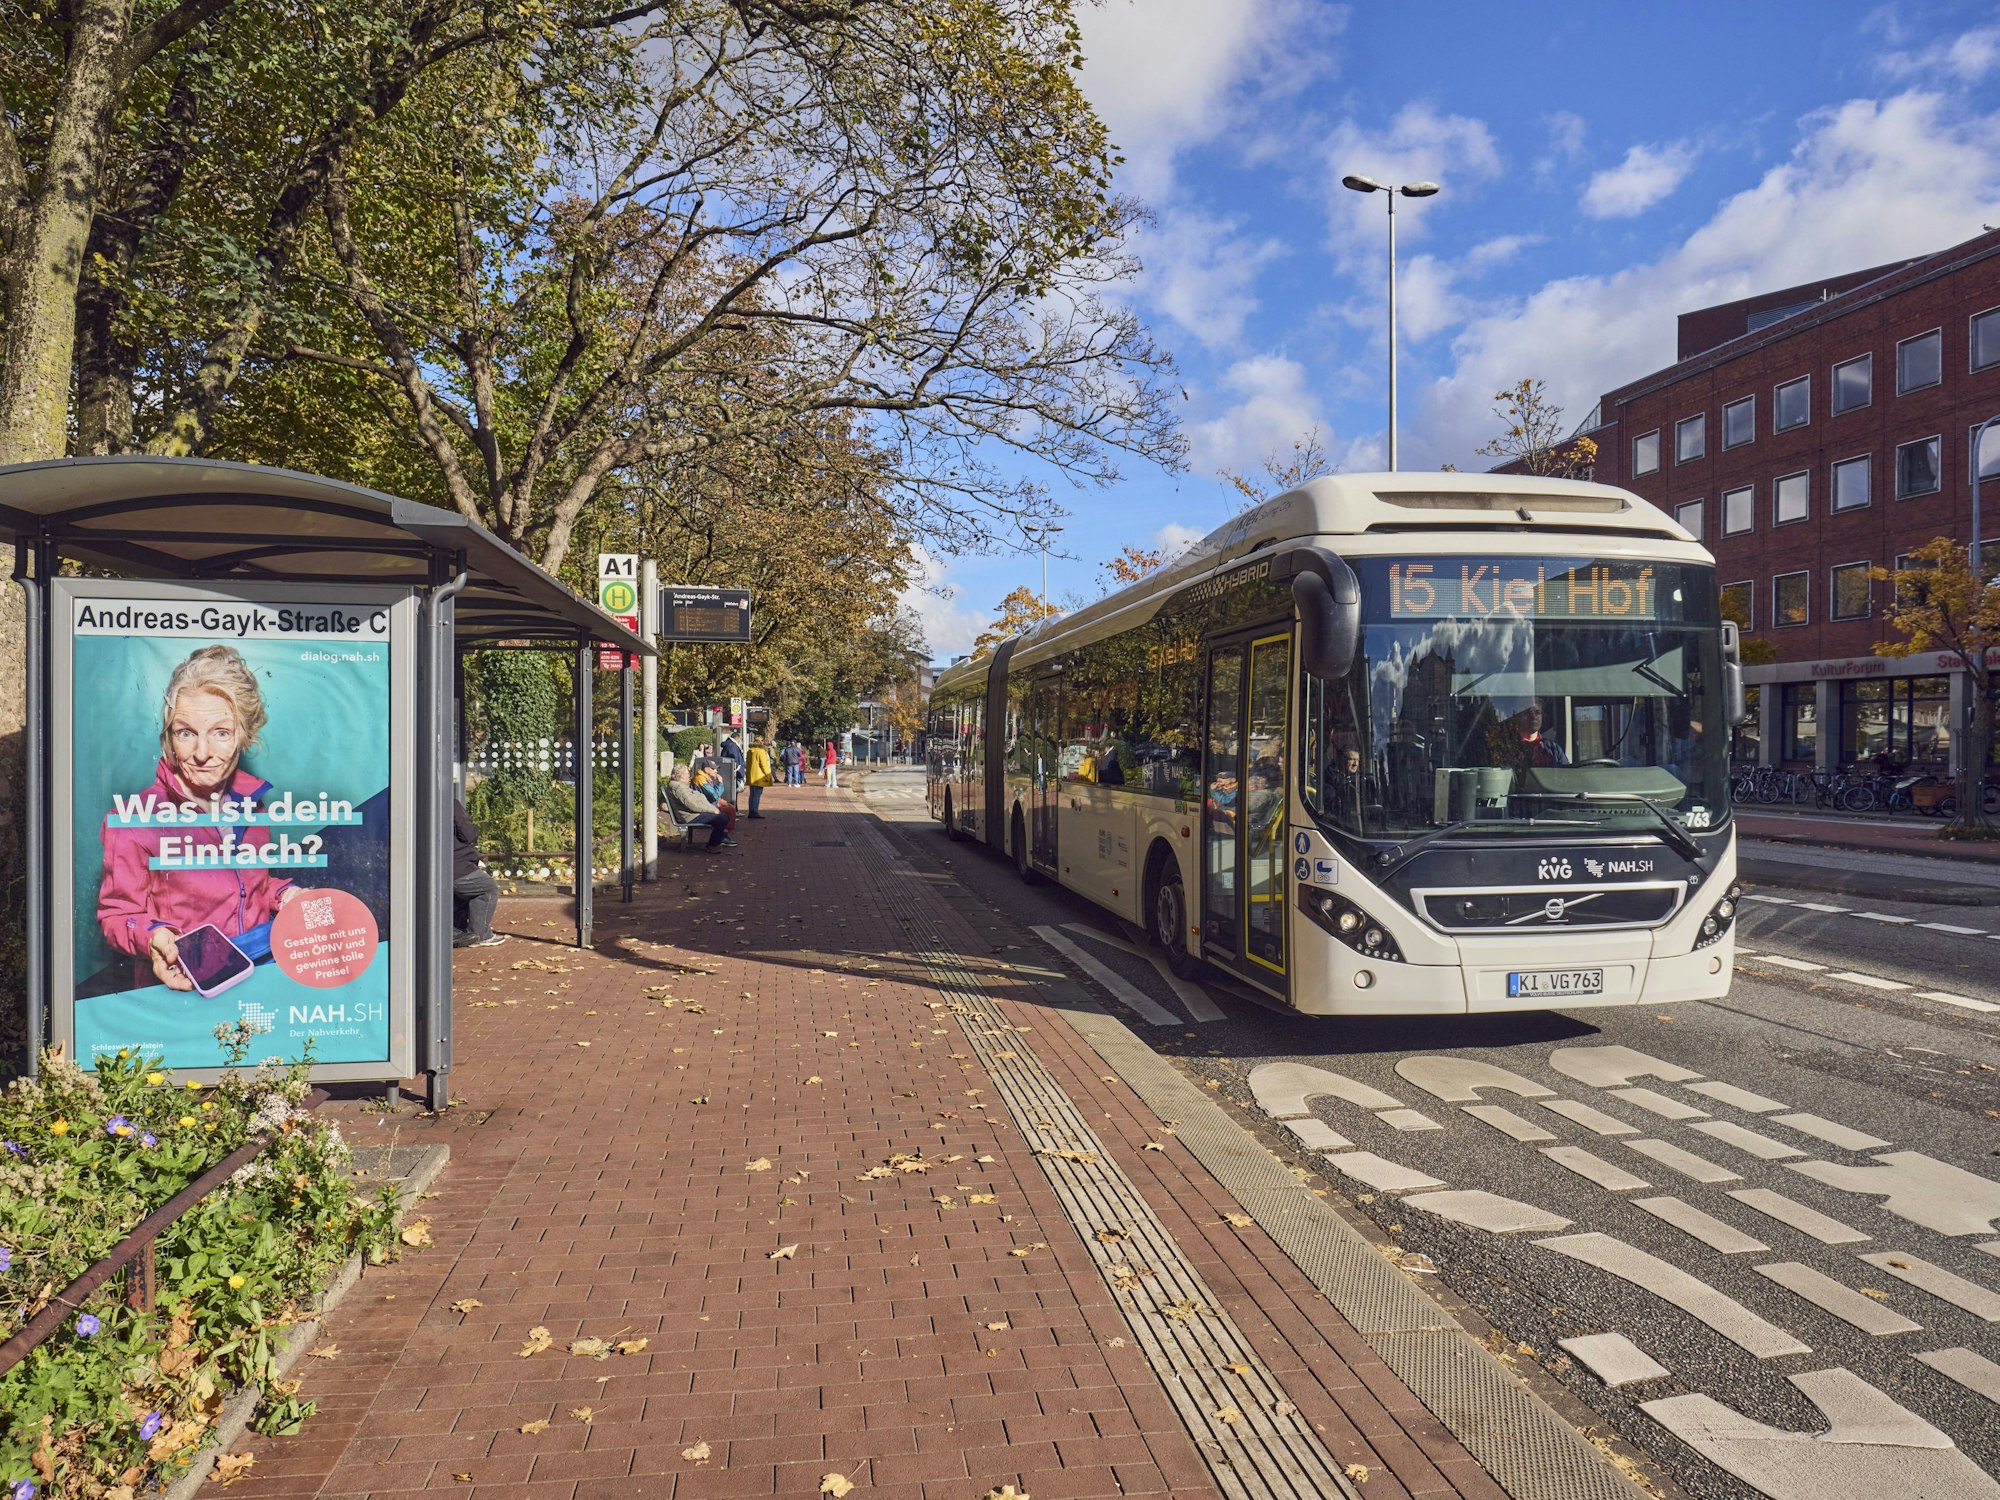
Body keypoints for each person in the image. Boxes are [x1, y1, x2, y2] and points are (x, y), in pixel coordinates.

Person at [98, 644, 302, 989]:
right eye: (186, 733)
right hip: (181, 989)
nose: (203, 753)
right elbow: (117, 916)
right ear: (169, 737)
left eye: (221, 733)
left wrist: (287, 896)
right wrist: (154, 939)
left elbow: (249, 887)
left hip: (257, 978)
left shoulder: (253, 806)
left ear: (244, 736)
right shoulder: (134, 819)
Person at [453, 797, 506, 947]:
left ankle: (461, 930)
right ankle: (480, 934)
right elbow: (468, 833)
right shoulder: (450, 802)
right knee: (488, 888)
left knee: (463, 894)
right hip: (459, 865)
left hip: (446, 865)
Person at [665, 766, 729, 849]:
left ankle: (720, 840)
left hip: (693, 814)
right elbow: (692, 804)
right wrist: (713, 810)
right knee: (722, 818)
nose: (689, 776)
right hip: (691, 816)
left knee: (723, 814)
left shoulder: (679, 786)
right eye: (688, 774)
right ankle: (713, 845)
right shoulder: (678, 788)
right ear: (681, 776)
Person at [1509, 701, 1569, 768]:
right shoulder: (1509, 748)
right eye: (1527, 713)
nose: (1533, 717)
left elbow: (1566, 775)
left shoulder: (1554, 749)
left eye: (1537, 712)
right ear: (1517, 718)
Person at [746, 735, 774, 818]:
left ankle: (751, 810)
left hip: (752, 775)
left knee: (752, 794)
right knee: (757, 794)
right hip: (759, 775)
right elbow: (764, 765)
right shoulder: (761, 751)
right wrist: (768, 775)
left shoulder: (750, 751)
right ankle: (754, 811)